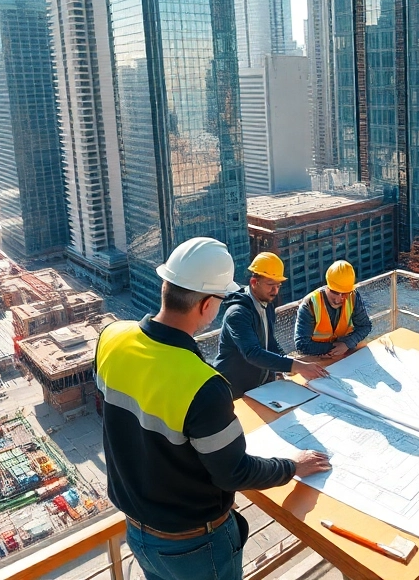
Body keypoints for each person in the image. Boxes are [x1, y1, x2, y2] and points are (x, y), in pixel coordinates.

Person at [96, 237, 331, 580]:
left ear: (167, 285)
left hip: (138, 531)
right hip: (194, 543)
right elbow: (233, 472)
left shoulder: (111, 338)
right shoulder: (203, 386)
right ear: (207, 305)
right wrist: (291, 466)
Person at [213, 252, 328, 397]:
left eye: (278, 286)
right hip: (234, 390)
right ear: (254, 282)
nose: (275, 291)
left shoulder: (266, 304)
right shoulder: (238, 313)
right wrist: (295, 366)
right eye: (270, 285)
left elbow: (270, 343)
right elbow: (253, 353)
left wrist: (284, 365)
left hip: (257, 387)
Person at [294, 260, 372, 357]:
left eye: (345, 293)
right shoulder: (310, 305)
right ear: (328, 286)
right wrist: (330, 349)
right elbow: (301, 345)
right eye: (335, 292)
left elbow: (365, 326)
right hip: (317, 356)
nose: (340, 298)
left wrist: (347, 344)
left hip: (346, 351)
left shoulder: (353, 296)